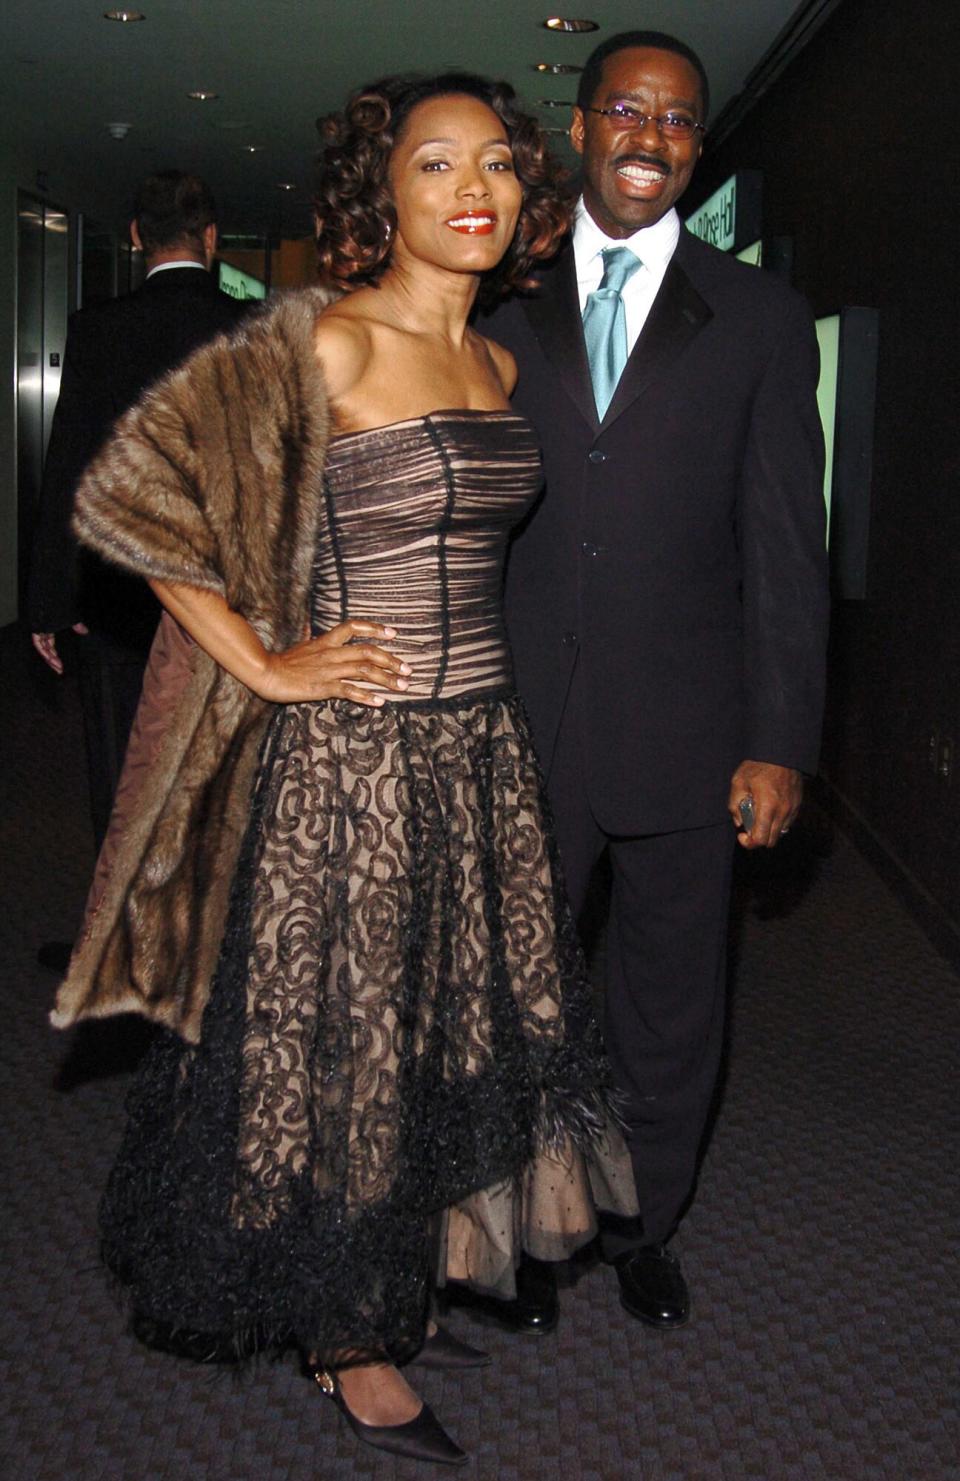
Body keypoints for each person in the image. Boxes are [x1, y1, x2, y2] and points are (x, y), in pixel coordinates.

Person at [50, 74, 637, 1466]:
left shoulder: (496, 363)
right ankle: (348, 1340)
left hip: (479, 756)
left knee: (446, 1034)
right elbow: (131, 493)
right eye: (436, 166)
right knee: (352, 1048)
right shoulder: (326, 340)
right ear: (387, 197)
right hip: (354, 761)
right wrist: (266, 662)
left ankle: (378, 1277)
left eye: (494, 162)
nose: (473, 188)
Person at [484, 31, 830, 1333]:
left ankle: (639, 1225)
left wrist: (780, 739)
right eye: (627, 108)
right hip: (516, 721)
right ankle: (512, 1224)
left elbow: (787, 549)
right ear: (582, 127)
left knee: (671, 1002)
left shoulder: (758, 319)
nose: (652, 134)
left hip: (694, 729)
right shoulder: (497, 300)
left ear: (699, 145)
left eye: (679, 120)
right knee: (514, 998)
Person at [28, 171, 246, 863]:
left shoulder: (98, 331)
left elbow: (70, 470)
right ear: (211, 238)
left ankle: (121, 941)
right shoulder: (250, 329)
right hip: (229, 595)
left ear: (133, 238)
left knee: (123, 774)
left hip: (117, 594)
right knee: (219, 774)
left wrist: (49, 602)